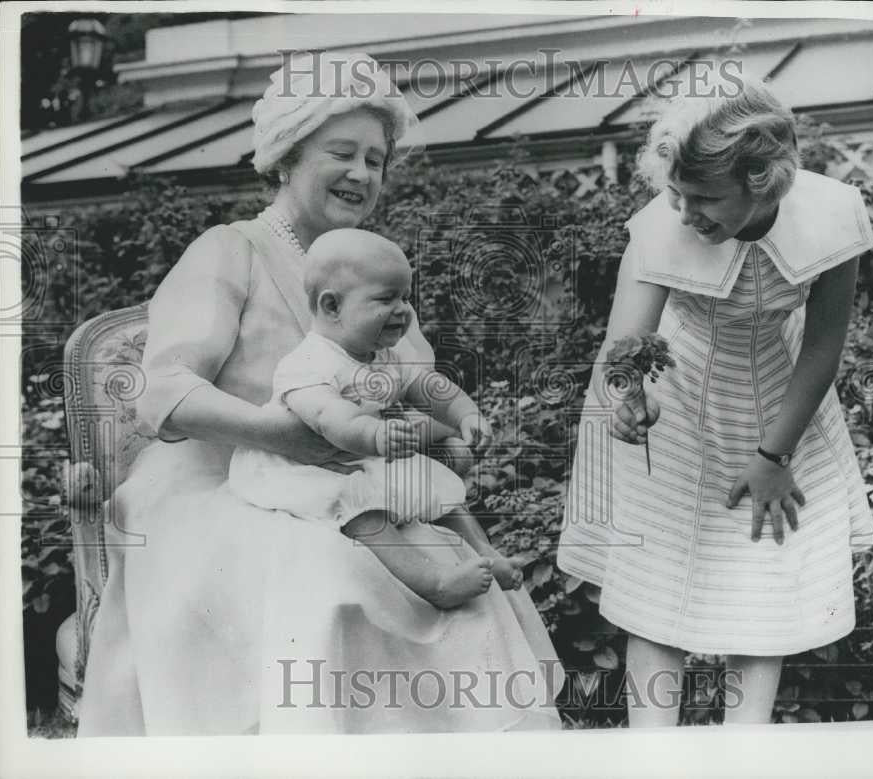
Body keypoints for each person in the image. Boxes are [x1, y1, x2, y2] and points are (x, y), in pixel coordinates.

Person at [78, 52, 561, 736]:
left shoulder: (370, 269)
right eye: (342, 152)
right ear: (285, 154)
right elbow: (162, 392)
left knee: (443, 558)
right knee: (330, 567)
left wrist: (445, 437)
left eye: (376, 159)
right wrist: (277, 433)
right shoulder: (229, 250)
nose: (362, 174)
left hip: (342, 478)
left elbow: (409, 386)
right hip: (219, 483)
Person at [557, 75, 873, 726]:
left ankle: (743, 747)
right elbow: (624, 348)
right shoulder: (661, 227)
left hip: (783, 398)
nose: (685, 212)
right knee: (661, 568)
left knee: (766, 565)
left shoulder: (831, 215)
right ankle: (654, 750)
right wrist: (628, 399)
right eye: (677, 194)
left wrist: (774, 454)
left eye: (703, 199)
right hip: (678, 400)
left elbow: (821, 348)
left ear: (761, 178)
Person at [228, 228, 526, 607]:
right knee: (363, 511)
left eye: (405, 297)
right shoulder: (307, 364)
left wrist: (465, 412)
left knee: (439, 489)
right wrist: (373, 434)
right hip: (308, 465)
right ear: (332, 306)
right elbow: (329, 418)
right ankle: (433, 582)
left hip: (364, 453)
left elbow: (427, 386)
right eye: (387, 299)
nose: (403, 310)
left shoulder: (385, 354)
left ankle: (485, 553)